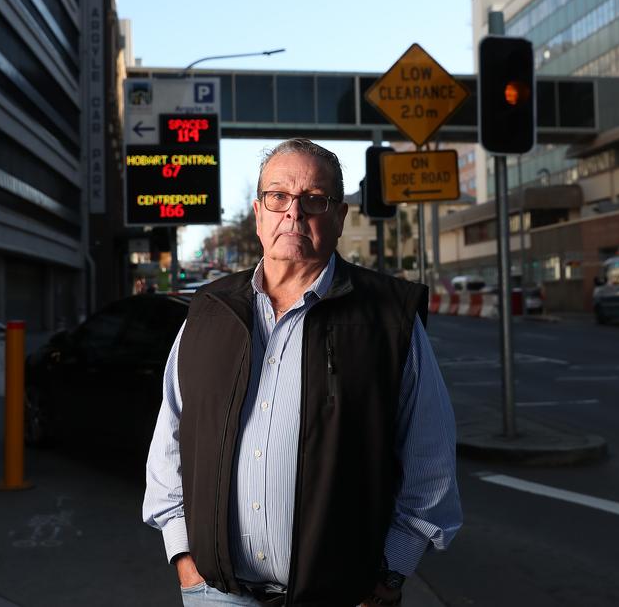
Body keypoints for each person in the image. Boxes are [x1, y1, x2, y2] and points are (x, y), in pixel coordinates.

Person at [144, 138, 461, 607]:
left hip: (342, 594)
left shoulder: (388, 318)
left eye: (314, 199)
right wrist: (184, 557)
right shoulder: (208, 311)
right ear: (258, 213)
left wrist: (391, 573)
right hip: (215, 593)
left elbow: (430, 457)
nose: (293, 212)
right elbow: (169, 439)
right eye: (278, 197)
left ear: (339, 216)